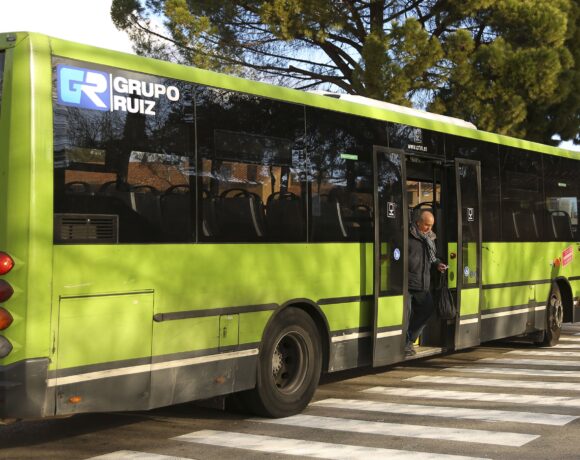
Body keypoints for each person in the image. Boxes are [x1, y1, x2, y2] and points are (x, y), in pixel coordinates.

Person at [406, 209, 447, 356]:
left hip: (423, 283)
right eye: (426, 225)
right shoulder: (408, 236)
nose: (429, 228)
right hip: (407, 283)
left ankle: (409, 339)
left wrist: (437, 264)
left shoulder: (429, 238)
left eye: (431, 225)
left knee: (427, 309)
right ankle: (406, 345)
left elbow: (431, 258)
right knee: (405, 315)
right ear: (418, 223)